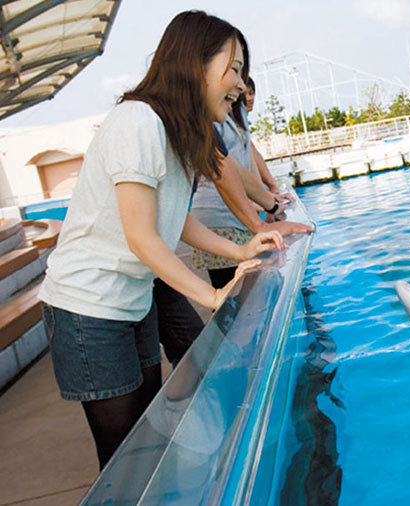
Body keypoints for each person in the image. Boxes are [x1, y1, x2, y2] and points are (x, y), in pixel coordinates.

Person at [38, 10, 284, 470]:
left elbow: (176, 218)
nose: (240, 83)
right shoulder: (138, 123)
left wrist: (241, 249)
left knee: (146, 437)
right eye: (233, 68)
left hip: (131, 301)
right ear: (195, 65)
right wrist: (212, 294)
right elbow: (142, 237)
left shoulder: (175, 132)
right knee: (123, 458)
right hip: (86, 307)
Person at [192, 78, 312, 288]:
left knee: (246, 288)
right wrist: (261, 213)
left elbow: (239, 166)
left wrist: (269, 199)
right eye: (235, 72)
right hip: (219, 217)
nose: (244, 91)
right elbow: (221, 171)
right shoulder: (209, 121)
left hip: (236, 215)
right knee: (232, 294)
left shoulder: (234, 120)